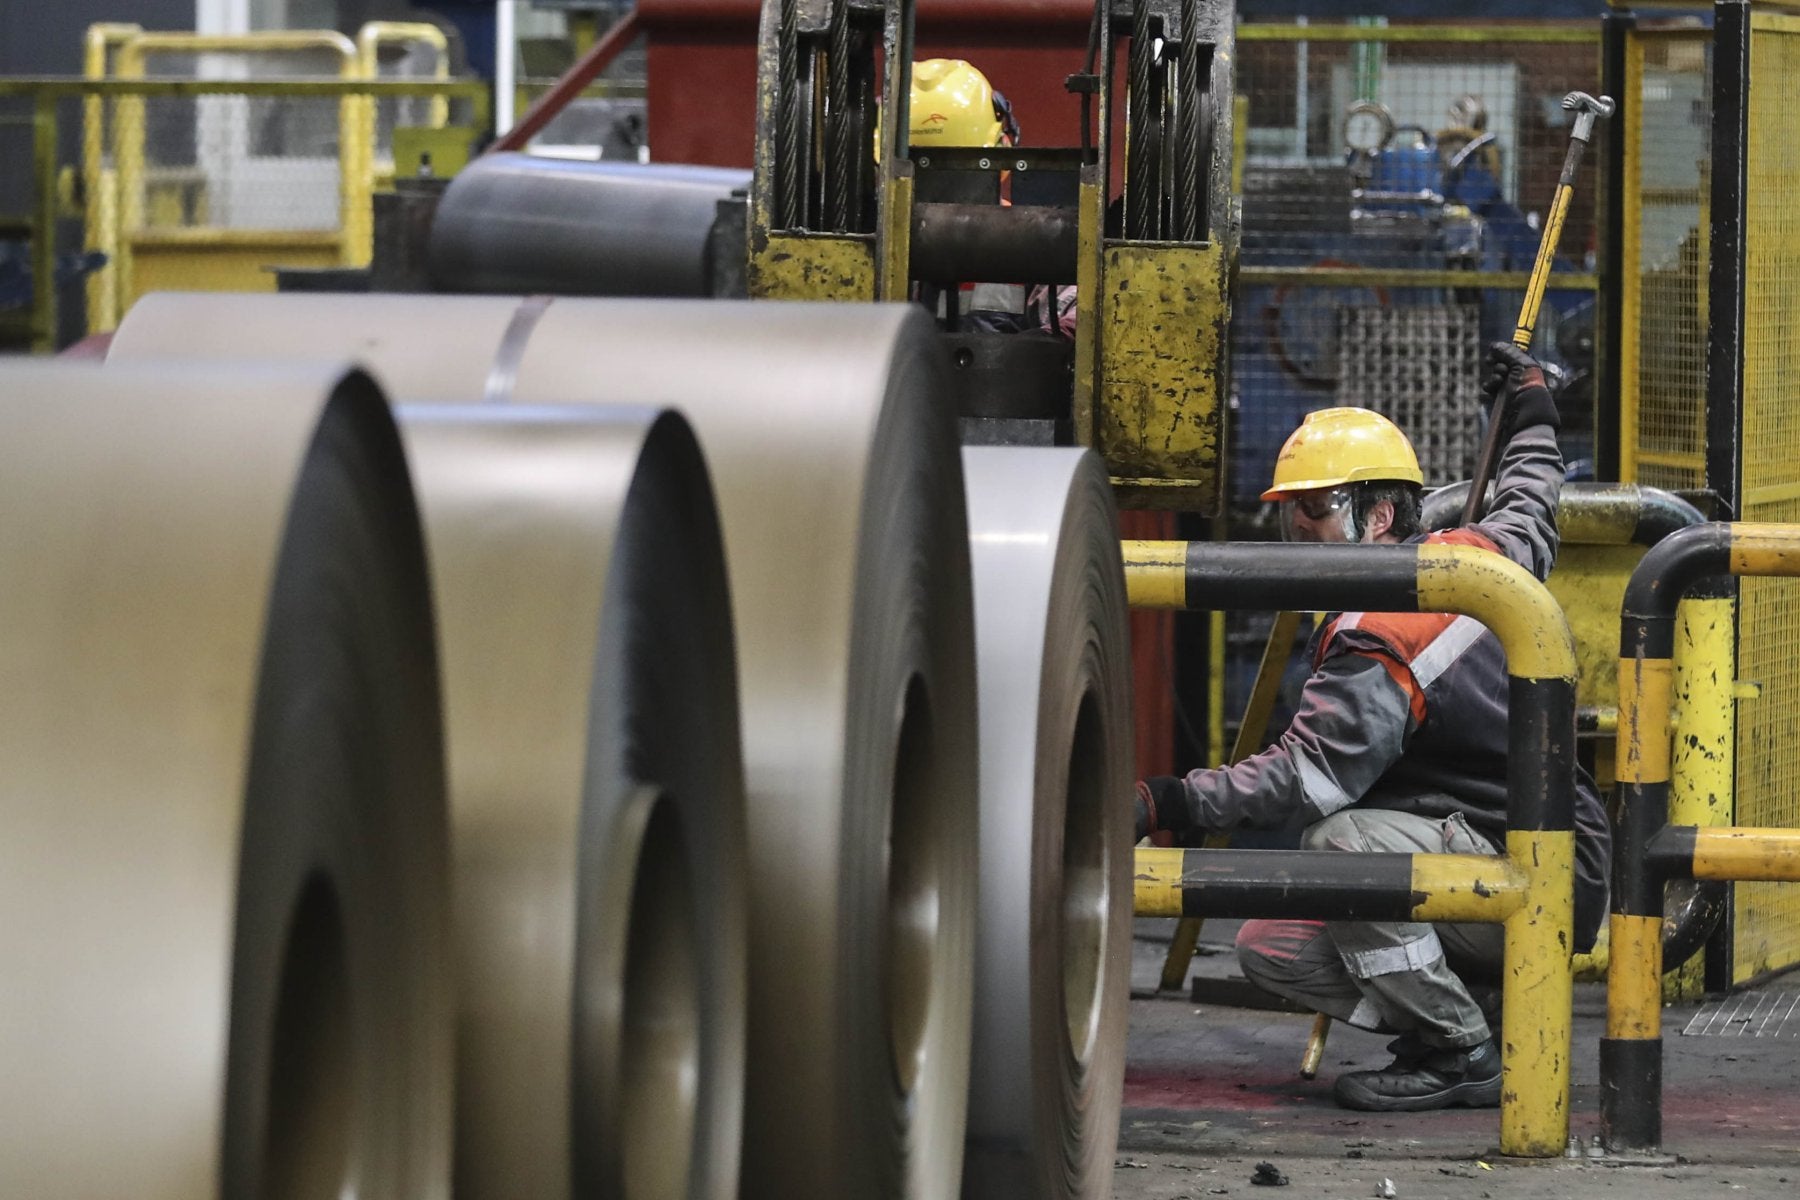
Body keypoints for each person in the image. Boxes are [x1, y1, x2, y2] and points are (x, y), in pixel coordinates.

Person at [1135, 344, 1612, 1113]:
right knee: (1270, 947)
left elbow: (1305, 780)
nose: (1297, 529)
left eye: (1316, 510)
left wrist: (1164, 802)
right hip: (1494, 854)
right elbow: (1530, 499)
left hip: (1538, 869)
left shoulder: (1379, 631)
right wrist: (1530, 404)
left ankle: (1461, 1051)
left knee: (1341, 847)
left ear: (1379, 514)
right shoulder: (1479, 556)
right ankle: (1478, 1013)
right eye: (1290, 510)